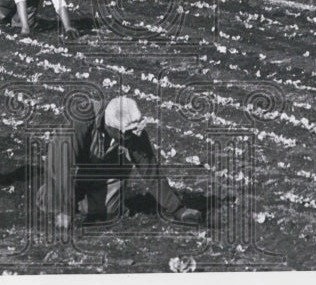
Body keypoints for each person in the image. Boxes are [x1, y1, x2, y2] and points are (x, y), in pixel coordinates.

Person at [37, 96, 202, 227]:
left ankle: (81, 196)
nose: (132, 136)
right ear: (111, 128)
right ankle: (49, 194)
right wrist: (65, 210)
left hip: (100, 167)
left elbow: (150, 170)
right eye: (126, 134)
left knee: (108, 212)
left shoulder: (132, 130)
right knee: (53, 205)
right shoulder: (82, 118)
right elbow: (62, 162)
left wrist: (179, 210)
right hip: (66, 165)